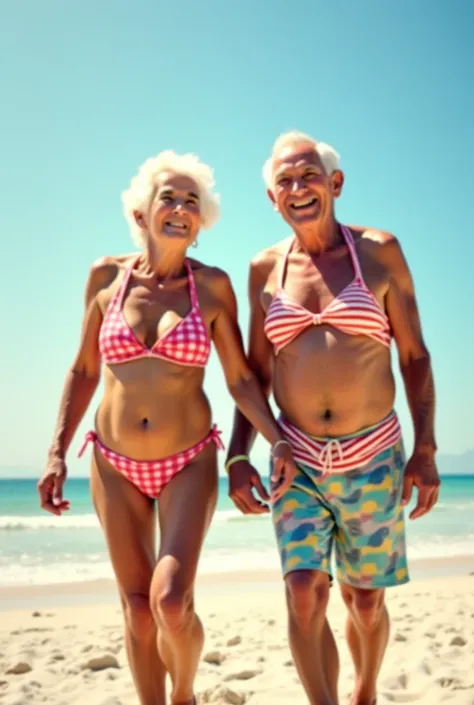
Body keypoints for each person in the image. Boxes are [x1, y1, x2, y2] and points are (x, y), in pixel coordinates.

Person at [37, 149, 296, 705]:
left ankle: (184, 694)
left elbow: (242, 380)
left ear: (201, 223)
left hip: (188, 460)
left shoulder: (215, 288)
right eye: (168, 197)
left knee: (171, 601)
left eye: (191, 202)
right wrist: (57, 451)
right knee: (135, 606)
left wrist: (277, 443)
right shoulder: (106, 278)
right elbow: (84, 369)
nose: (180, 208)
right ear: (141, 214)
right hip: (112, 460)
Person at [226, 131, 440, 705]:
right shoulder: (264, 269)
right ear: (272, 198)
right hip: (296, 460)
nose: (298, 189)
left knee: (364, 603)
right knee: (302, 593)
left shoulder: (379, 251)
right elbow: (254, 375)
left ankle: (365, 691)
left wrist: (426, 450)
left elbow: (414, 356)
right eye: (285, 182)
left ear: (335, 183)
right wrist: (240, 451)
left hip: (373, 456)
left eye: (308, 176)